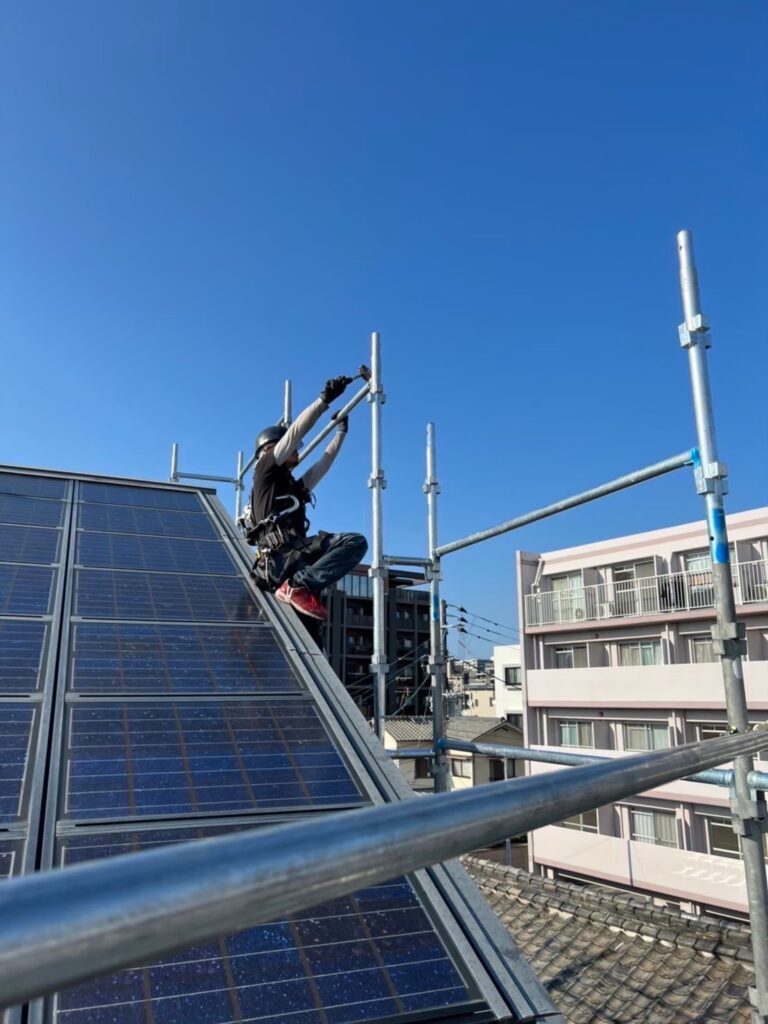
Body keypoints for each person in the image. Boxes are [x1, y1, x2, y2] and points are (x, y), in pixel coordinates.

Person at [245, 375, 368, 621]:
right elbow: (295, 432)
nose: (298, 449)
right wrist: (324, 401)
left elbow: (322, 466)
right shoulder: (264, 470)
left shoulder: (290, 487)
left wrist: (340, 433)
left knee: (310, 633)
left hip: (294, 559)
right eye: (293, 446)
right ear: (270, 449)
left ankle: (300, 588)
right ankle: (299, 587)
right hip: (281, 559)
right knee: (353, 542)